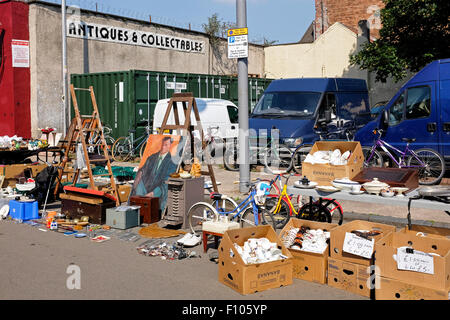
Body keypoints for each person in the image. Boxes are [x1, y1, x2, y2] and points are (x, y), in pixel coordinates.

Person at [130, 136, 177, 212]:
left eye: (166, 145)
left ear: (170, 146)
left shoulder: (171, 161)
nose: (163, 147)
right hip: (145, 188)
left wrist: (153, 193)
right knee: (139, 183)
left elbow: (167, 181)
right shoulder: (152, 157)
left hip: (157, 192)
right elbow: (143, 169)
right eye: (162, 144)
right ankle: (136, 211)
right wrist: (140, 173)